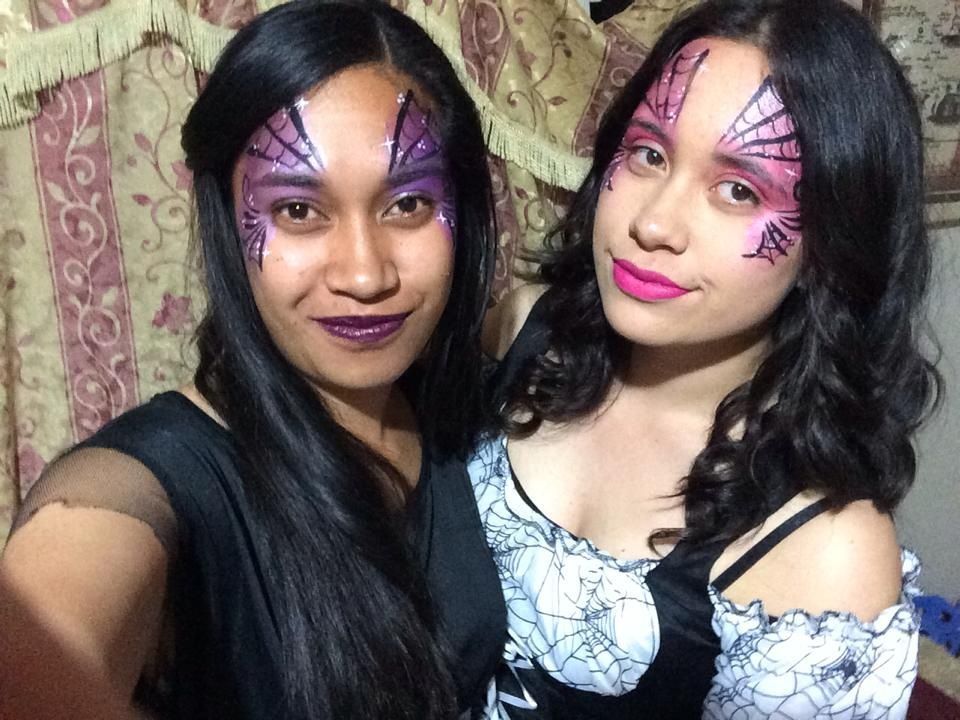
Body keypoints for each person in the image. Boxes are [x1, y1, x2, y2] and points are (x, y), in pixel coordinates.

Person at [0, 1, 505, 718]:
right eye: (298, 211)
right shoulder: (167, 477)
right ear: (227, 225)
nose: (365, 276)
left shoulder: (454, 408)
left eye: (407, 205)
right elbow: (49, 633)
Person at [473, 0, 942, 717]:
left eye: (738, 190)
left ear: (830, 240)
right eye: (649, 154)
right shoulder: (524, 329)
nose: (654, 222)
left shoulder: (828, 552)